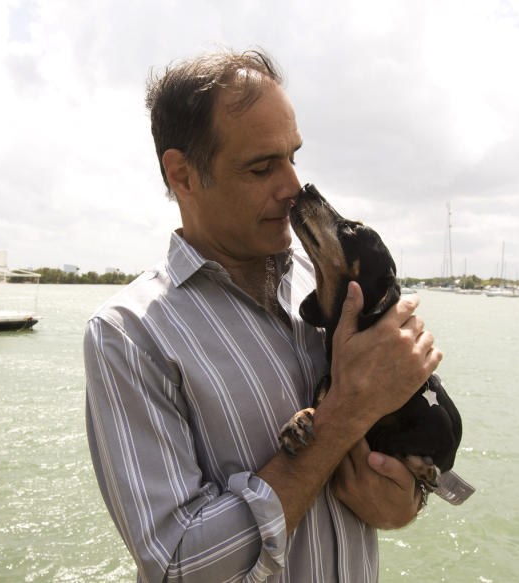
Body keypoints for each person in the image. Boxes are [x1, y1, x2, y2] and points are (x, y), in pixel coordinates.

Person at [84, 48, 442, 583]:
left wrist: (407, 499)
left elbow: (411, 467)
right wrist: (341, 416)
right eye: (261, 167)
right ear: (181, 174)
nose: (294, 187)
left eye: (293, 156)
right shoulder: (129, 335)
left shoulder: (337, 284)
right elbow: (179, 567)